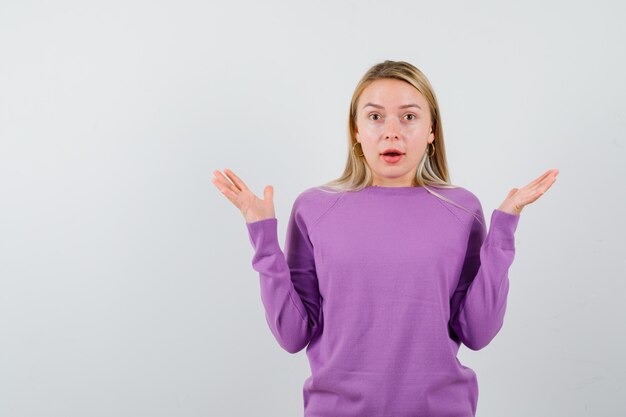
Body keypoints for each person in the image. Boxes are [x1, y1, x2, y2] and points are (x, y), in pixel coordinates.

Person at [211, 60, 558, 417]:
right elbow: (292, 335)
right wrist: (263, 236)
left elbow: (478, 331)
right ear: (356, 130)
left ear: (431, 131)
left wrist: (505, 227)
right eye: (375, 117)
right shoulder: (314, 208)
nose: (392, 132)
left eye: (409, 117)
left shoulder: (462, 209)